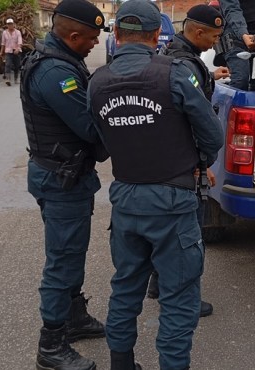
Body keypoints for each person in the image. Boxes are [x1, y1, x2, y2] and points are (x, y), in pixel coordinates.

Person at [87, 0, 224, 369]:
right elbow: (212, 135)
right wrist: (201, 162)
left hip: (127, 201)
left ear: (116, 34)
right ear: (155, 35)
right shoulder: (174, 74)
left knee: (126, 288)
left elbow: (98, 143)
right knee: (179, 298)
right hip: (174, 201)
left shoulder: (97, 81)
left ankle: (121, 363)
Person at [19, 0, 108, 369]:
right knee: (63, 260)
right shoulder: (57, 73)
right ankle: (51, 345)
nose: (93, 45)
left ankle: (73, 319)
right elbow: (90, 128)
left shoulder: (57, 59)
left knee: (71, 253)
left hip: (64, 175)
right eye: (90, 39)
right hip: (62, 180)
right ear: (73, 36)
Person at [150, 3, 230, 318]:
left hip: (168, 160)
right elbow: (195, 122)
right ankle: (185, 301)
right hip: (187, 163)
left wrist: (210, 74)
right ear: (197, 32)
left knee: (167, 232)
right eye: (214, 36)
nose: (216, 42)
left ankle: (157, 283)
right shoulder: (186, 65)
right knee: (189, 239)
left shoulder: (172, 56)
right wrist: (204, 163)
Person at [0, 18, 22, 86]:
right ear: (7, 25)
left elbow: (20, 42)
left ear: (13, 24)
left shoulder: (18, 32)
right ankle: (7, 79)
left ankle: (16, 78)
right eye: (8, 24)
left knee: (17, 66)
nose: (10, 25)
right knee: (7, 64)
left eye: (11, 24)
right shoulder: (4, 33)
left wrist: (18, 48)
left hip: (16, 51)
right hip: (8, 51)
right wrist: (1, 52)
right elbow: (3, 43)